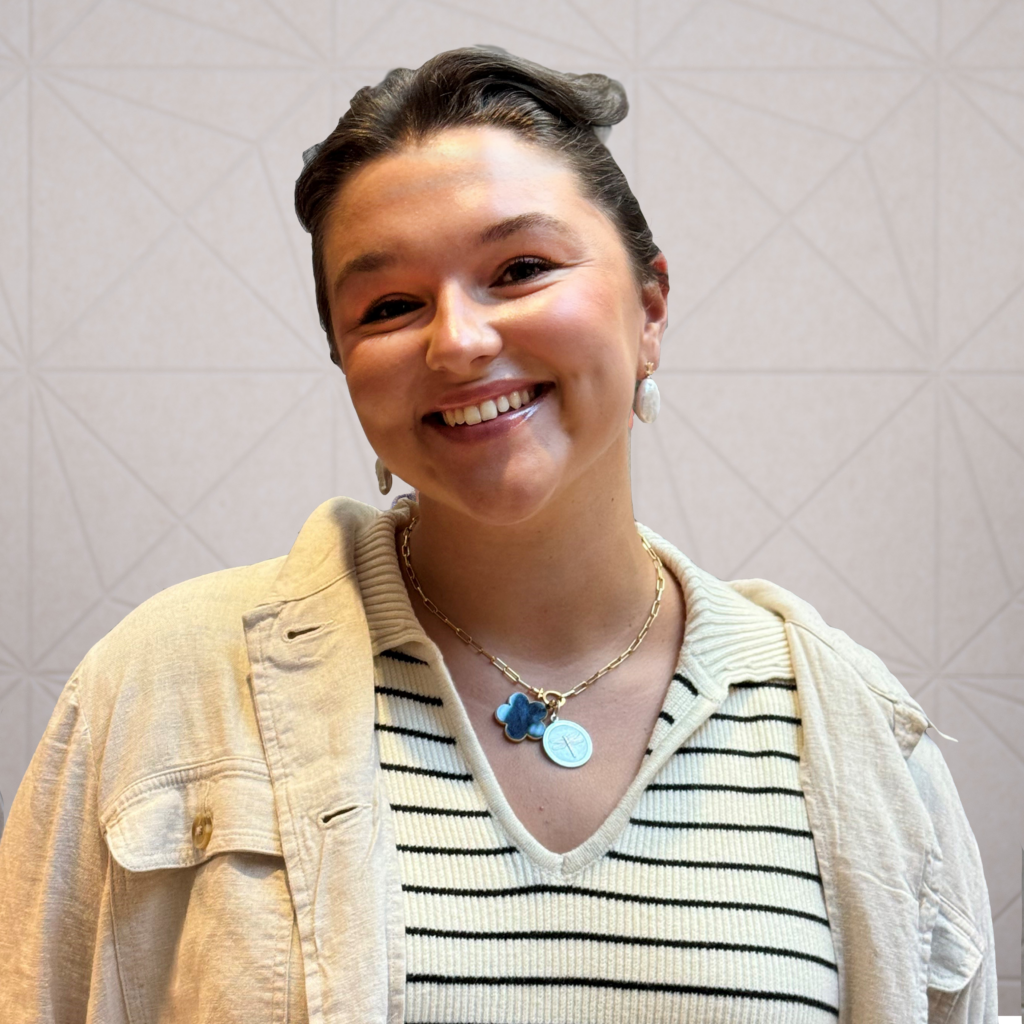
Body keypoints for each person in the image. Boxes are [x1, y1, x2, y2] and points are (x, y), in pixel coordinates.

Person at [0, 47, 998, 1024]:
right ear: (346, 363)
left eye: (520, 269)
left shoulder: (859, 733)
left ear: (650, 308)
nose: (459, 341)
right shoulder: (160, 686)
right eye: (390, 306)